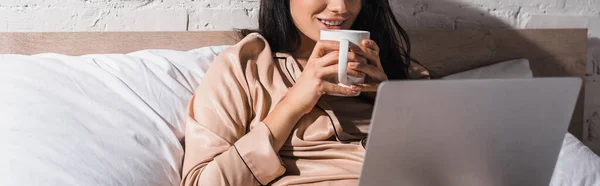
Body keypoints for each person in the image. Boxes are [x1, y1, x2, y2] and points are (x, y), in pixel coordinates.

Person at [181, 0, 429, 185]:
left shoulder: (402, 73)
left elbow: (448, 163)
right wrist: (294, 103)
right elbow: (203, 182)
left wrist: (392, 106)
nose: (340, 7)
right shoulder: (243, 67)